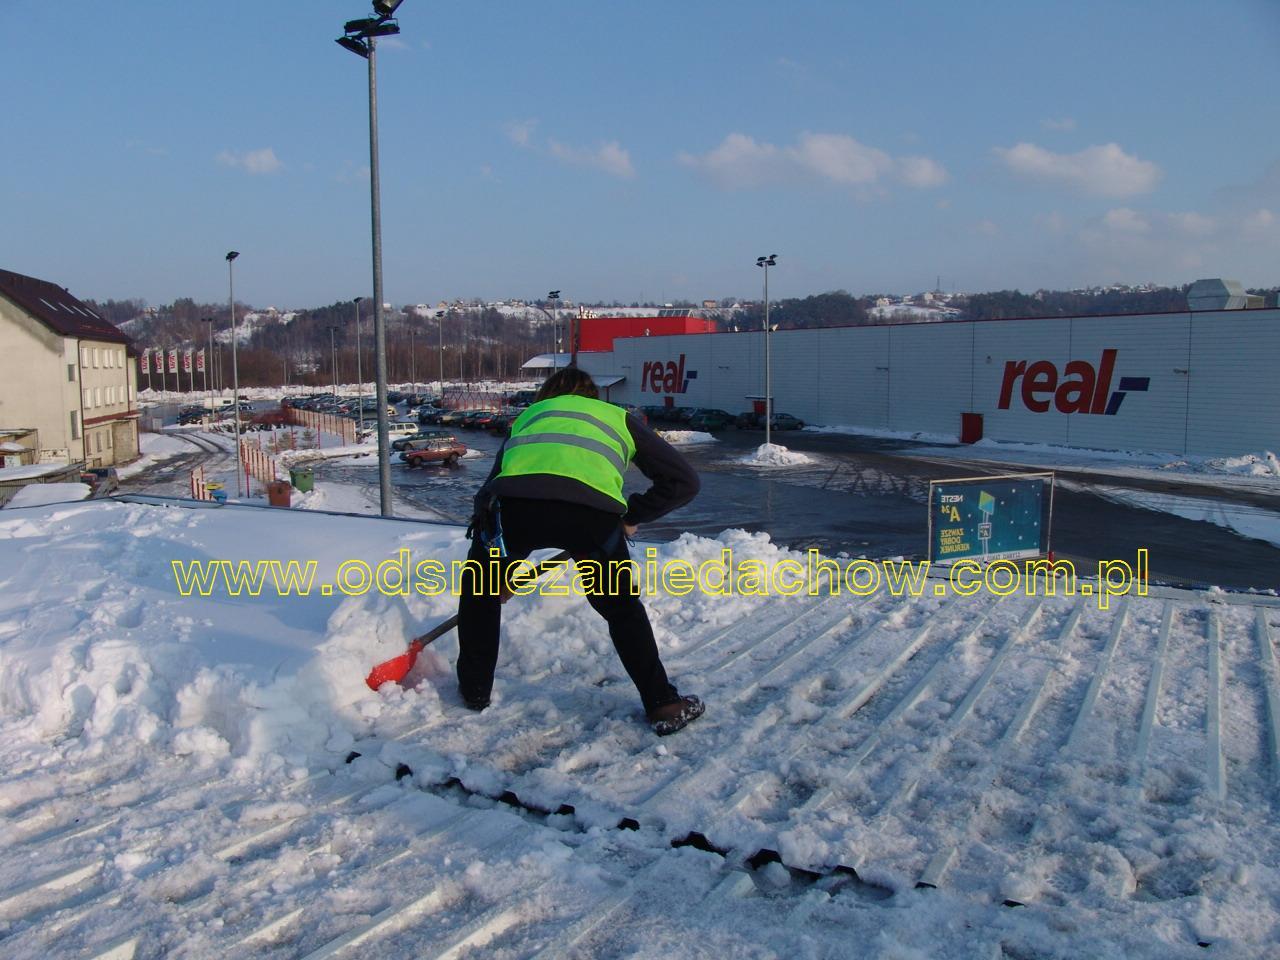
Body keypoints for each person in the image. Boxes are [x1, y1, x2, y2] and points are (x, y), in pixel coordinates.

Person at [457, 367, 704, 735]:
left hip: (514, 508)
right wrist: (632, 513)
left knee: (479, 592)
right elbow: (685, 482)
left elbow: (491, 488)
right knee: (622, 610)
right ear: (592, 396)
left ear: (546, 394)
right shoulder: (616, 417)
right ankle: (662, 703)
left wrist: (497, 568)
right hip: (591, 516)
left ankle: (474, 691)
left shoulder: (528, 416)